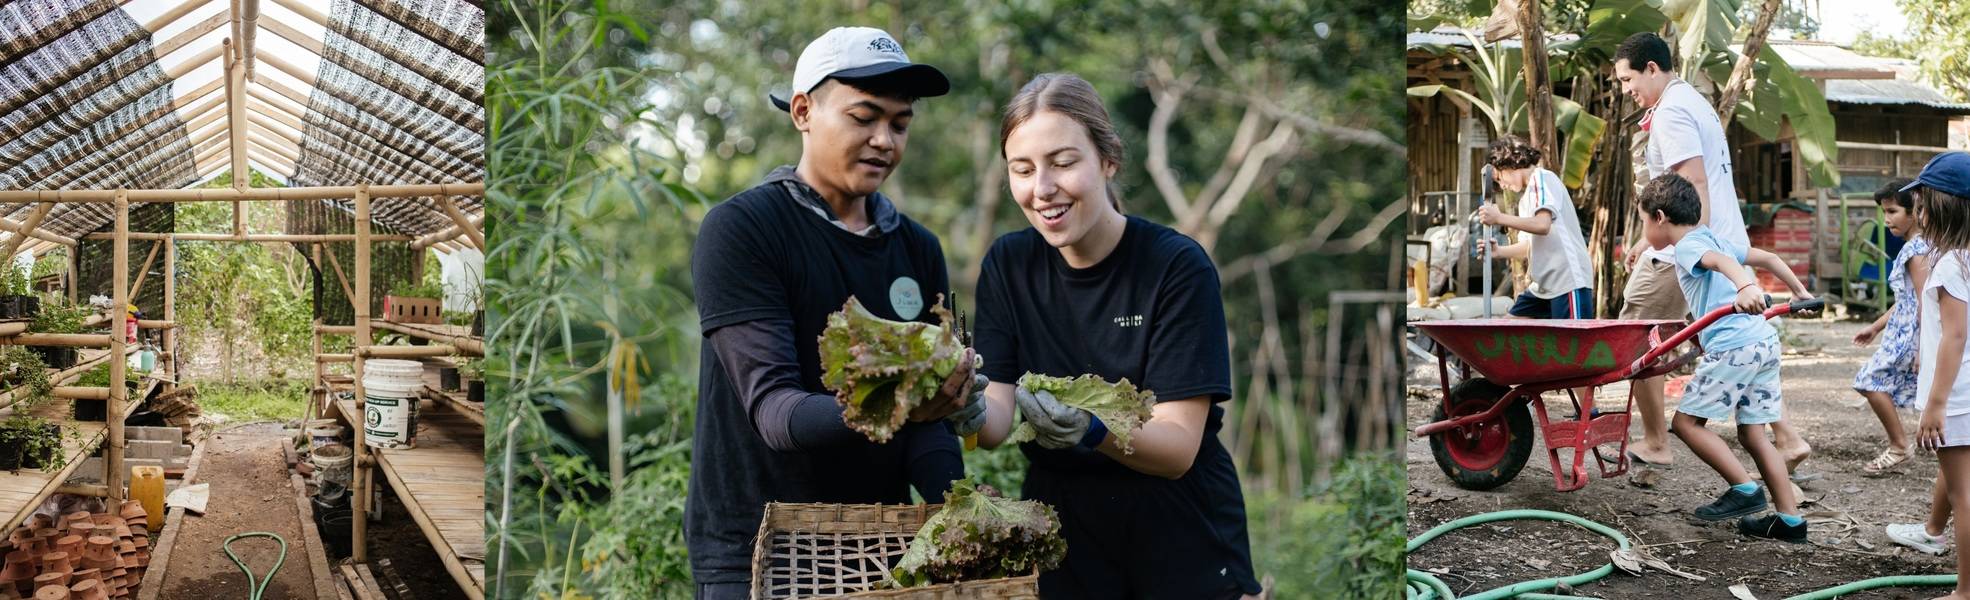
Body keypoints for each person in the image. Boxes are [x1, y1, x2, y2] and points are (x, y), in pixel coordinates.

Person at [683, 27, 987, 598]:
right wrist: (907, 405)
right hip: (759, 554)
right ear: (803, 111)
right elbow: (776, 412)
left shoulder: (916, 247)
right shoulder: (744, 230)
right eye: (863, 117)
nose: (884, 141)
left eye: (899, 125)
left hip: (880, 546)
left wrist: (962, 510)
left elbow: (929, 428)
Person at [969, 73, 1261, 599]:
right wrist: (961, 406)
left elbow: (1176, 449)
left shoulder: (1175, 267)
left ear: (1108, 160)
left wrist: (1090, 429)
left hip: (1178, 526)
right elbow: (995, 420)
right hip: (1061, 531)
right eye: (1023, 169)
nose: (1042, 189)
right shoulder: (1007, 265)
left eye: (1062, 163)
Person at [1613, 31, 1812, 471]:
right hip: (1717, 238)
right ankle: (1788, 438)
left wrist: (1673, 243)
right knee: (1736, 342)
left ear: (1651, 68)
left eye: (1629, 80)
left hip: (1689, 244)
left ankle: (1656, 443)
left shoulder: (1671, 113)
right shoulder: (1693, 100)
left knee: (1633, 334)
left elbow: (1692, 183)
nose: (1627, 91)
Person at [1639, 173, 1815, 542]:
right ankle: (1790, 520)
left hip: (1735, 346)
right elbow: (1766, 256)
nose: (1645, 231)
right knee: (1754, 432)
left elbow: (1720, 262)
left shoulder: (1687, 246)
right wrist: (1799, 292)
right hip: (1762, 342)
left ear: (1658, 217)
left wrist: (1747, 285)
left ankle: (1743, 489)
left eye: (1643, 222)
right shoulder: (1711, 236)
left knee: (1687, 424)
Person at [1883, 153, 1970, 573]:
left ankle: (1966, 588)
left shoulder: (1952, 264)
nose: (1916, 213)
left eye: (1919, 204)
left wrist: (1935, 405)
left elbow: (1954, 336)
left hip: (1956, 397)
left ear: (1937, 207)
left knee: (1963, 496)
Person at [1854, 179, 1931, 476]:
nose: (1887, 219)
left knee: (1870, 381)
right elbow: (1907, 299)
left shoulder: (1917, 250)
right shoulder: (1916, 246)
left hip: (1909, 336)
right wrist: (1875, 327)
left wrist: (1923, 346)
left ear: (1915, 212)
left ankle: (1899, 446)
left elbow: (1926, 300)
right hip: (1901, 332)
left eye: (1893, 211)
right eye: (1884, 212)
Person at [1475, 135, 1596, 320]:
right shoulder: (1526, 200)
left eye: (1500, 178)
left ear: (1511, 163)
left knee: (1571, 345)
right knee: (1507, 327)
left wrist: (1499, 218)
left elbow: (1542, 225)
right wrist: (1499, 251)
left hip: (1567, 280)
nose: (1503, 185)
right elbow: (1529, 246)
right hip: (1544, 286)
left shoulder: (1541, 179)